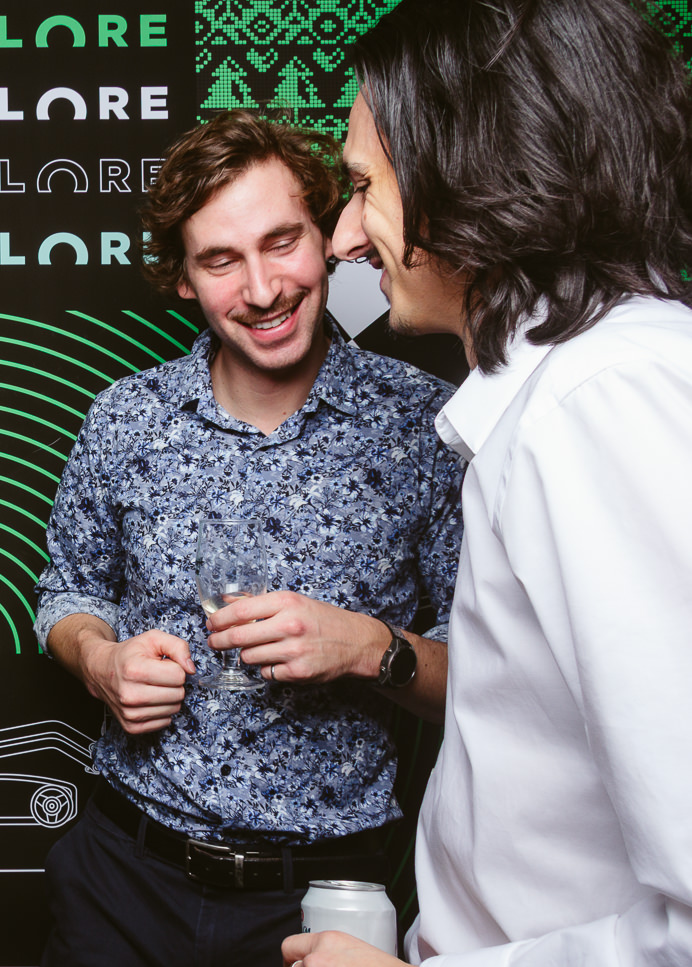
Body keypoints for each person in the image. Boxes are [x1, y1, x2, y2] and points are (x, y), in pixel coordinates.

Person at [284, 1, 692, 965]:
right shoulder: (573, 395)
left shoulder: (600, 403)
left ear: (468, 174)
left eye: (364, 188)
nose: (343, 240)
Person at [34, 109, 465, 967]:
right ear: (183, 278)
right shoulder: (127, 418)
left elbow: (497, 681)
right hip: (123, 876)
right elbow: (67, 589)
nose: (264, 289)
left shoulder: (424, 426)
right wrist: (98, 660)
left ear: (329, 236)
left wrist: (370, 648)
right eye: (222, 260)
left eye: (281, 242)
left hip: (322, 900)